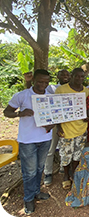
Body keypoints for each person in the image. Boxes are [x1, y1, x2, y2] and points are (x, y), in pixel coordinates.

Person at [4, 69, 54, 215]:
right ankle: (28, 199)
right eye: (40, 81)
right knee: (29, 172)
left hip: (45, 138)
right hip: (27, 140)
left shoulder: (50, 96)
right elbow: (6, 112)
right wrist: (20, 113)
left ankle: (37, 192)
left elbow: (55, 116)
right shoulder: (22, 96)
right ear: (33, 81)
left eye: (46, 82)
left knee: (39, 168)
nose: (43, 85)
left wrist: (52, 124)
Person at [55, 68, 89, 190]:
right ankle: (65, 175)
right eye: (77, 76)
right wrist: (58, 127)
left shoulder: (86, 91)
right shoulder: (61, 90)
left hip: (81, 128)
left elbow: (87, 107)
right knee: (66, 155)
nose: (80, 79)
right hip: (67, 129)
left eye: (82, 77)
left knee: (77, 154)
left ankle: (74, 172)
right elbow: (56, 109)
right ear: (72, 76)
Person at [43, 69, 70, 186]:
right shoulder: (51, 88)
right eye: (62, 74)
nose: (65, 76)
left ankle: (63, 167)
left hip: (69, 123)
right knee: (51, 148)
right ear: (57, 76)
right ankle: (47, 172)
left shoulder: (73, 88)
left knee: (65, 147)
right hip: (55, 123)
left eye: (67, 74)